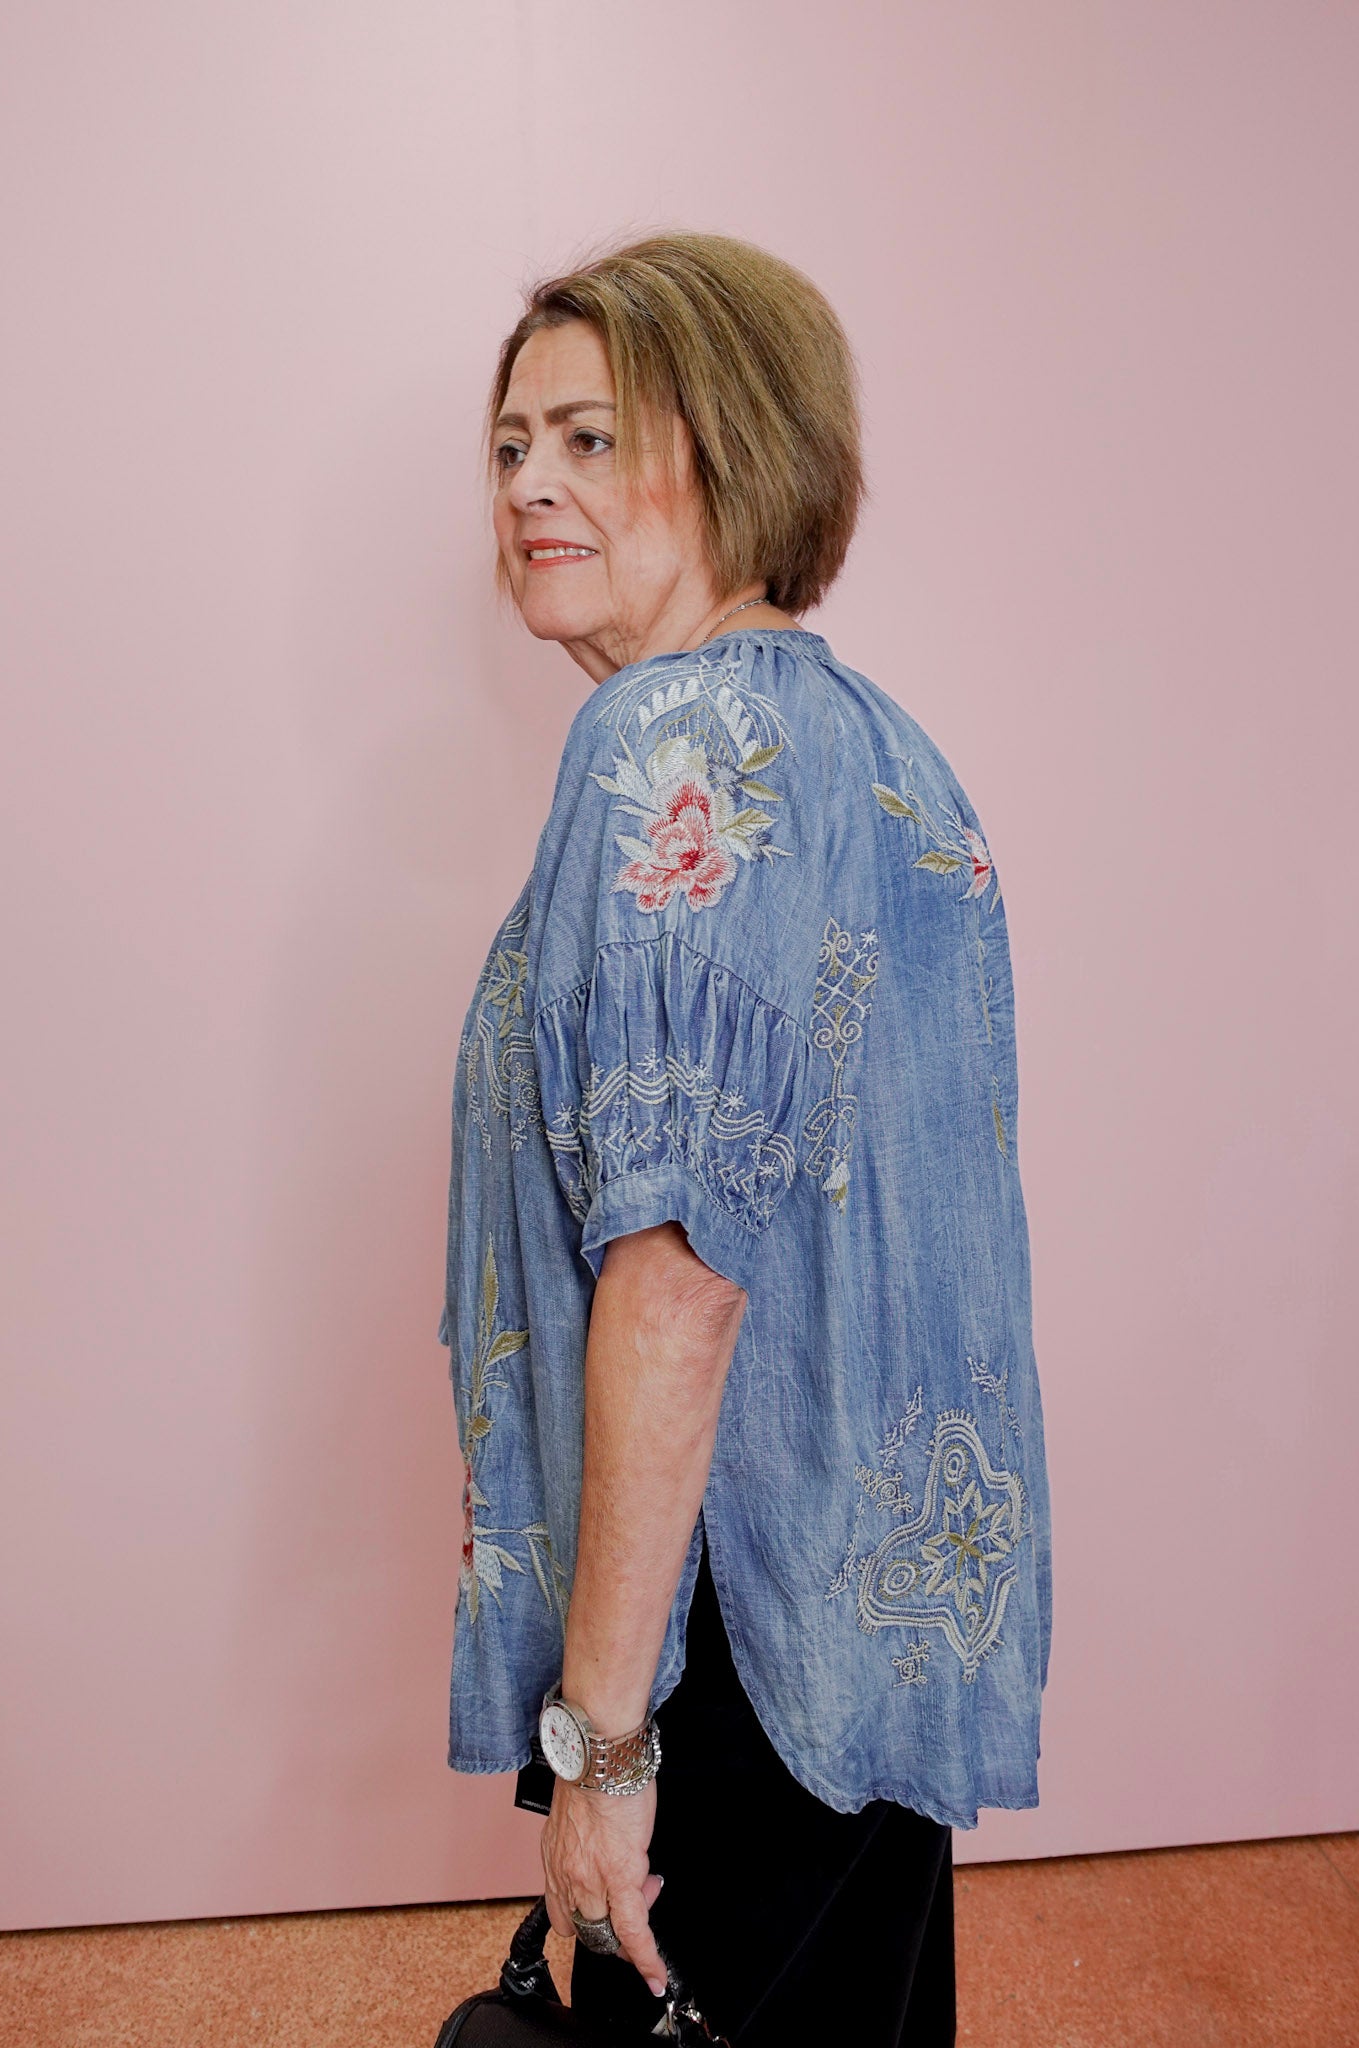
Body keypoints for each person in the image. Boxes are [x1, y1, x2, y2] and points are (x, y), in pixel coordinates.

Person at [439, 232, 1051, 2047]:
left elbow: (682, 1277)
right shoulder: (885, 753)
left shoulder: (675, 744)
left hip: (736, 1638)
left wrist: (607, 1747)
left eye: (590, 435)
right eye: (506, 444)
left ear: (736, 445)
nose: (530, 482)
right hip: (877, 1634)